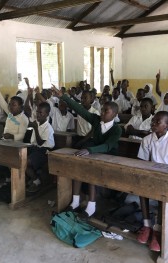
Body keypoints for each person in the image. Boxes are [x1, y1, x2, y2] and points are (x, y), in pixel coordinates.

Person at [52, 85, 122, 219]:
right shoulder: (96, 120)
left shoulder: (117, 129)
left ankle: (91, 206)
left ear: (114, 115)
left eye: (105, 111)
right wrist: (63, 96)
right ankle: (75, 201)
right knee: (78, 166)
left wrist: (89, 149)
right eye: (101, 110)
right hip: (94, 153)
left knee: (91, 171)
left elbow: (107, 146)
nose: (101, 113)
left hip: (109, 157)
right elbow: (80, 109)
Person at [137, 111, 168, 252]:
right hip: (150, 175)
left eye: (157, 122)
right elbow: (142, 162)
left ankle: (158, 230)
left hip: (167, 178)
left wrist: (165, 177)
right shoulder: (147, 139)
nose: (153, 124)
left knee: (162, 197)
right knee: (141, 191)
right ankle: (147, 225)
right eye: (153, 121)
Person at [26, 102, 55, 193]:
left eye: (40, 113)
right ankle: (32, 179)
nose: (37, 115)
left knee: (25, 162)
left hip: (45, 151)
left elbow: (40, 142)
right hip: (36, 148)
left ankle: (36, 181)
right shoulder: (37, 124)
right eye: (37, 112)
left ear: (46, 114)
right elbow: (33, 142)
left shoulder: (48, 127)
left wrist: (35, 128)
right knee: (18, 158)